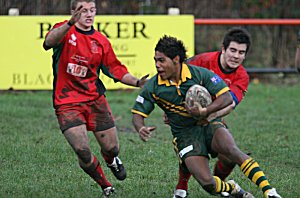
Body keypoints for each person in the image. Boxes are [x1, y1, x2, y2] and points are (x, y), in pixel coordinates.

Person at [131, 35, 281, 198]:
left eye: (161, 61)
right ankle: (232, 189)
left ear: (175, 60)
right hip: (185, 135)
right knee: (208, 183)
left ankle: (269, 191)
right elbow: (138, 113)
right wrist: (141, 128)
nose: (157, 65)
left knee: (232, 151)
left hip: (209, 123)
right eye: (156, 60)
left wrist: (205, 111)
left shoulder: (200, 74)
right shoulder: (154, 86)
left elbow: (227, 98)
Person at [43, 0, 148, 197]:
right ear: (73, 12)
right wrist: (69, 24)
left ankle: (111, 160)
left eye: (92, 10)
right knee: (82, 150)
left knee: (112, 148)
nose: (89, 14)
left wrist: (137, 82)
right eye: (83, 11)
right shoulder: (63, 30)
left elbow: (116, 69)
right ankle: (106, 186)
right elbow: (48, 42)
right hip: (67, 102)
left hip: (94, 100)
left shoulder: (100, 40)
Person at [172, 27, 251, 198]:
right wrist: (173, 107)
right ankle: (181, 187)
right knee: (191, 149)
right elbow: (176, 75)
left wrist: (208, 116)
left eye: (241, 52)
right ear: (223, 48)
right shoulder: (203, 60)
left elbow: (229, 105)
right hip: (187, 117)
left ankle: (219, 186)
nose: (236, 56)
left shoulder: (242, 76)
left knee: (229, 157)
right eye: (233, 50)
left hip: (213, 117)